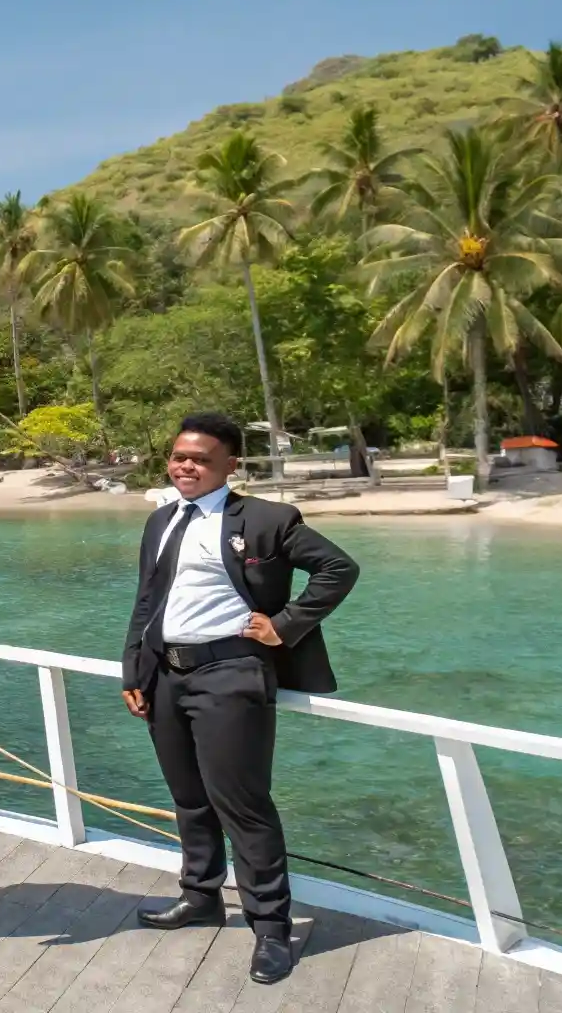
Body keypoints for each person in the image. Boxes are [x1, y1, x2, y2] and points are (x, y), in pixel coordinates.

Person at [120, 412, 359, 985]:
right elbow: (147, 601)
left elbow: (337, 568)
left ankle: (271, 928)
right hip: (166, 676)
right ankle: (201, 895)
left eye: (200, 459)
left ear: (230, 465)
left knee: (243, 805)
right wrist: (135, 669)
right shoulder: (160, 521)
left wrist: (286, 624)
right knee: (189, 797)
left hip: (231, 673)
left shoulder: (266, 519)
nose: (185, 466)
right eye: (179, 456)